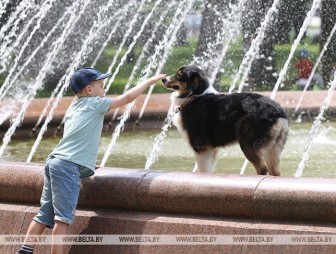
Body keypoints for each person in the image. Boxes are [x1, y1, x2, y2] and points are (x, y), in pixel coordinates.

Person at [17, 67, 165, 254]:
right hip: (67, 166)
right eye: (101, 86)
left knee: (44, 214)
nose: (104, 91)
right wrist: (148, 82)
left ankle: (25, 250)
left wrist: (84, 160)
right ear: (89, 90)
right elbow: (126, 98)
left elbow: (75, 136)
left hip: (55, 161)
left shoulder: (75, 105)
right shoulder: (96, 103)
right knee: (62, 219)